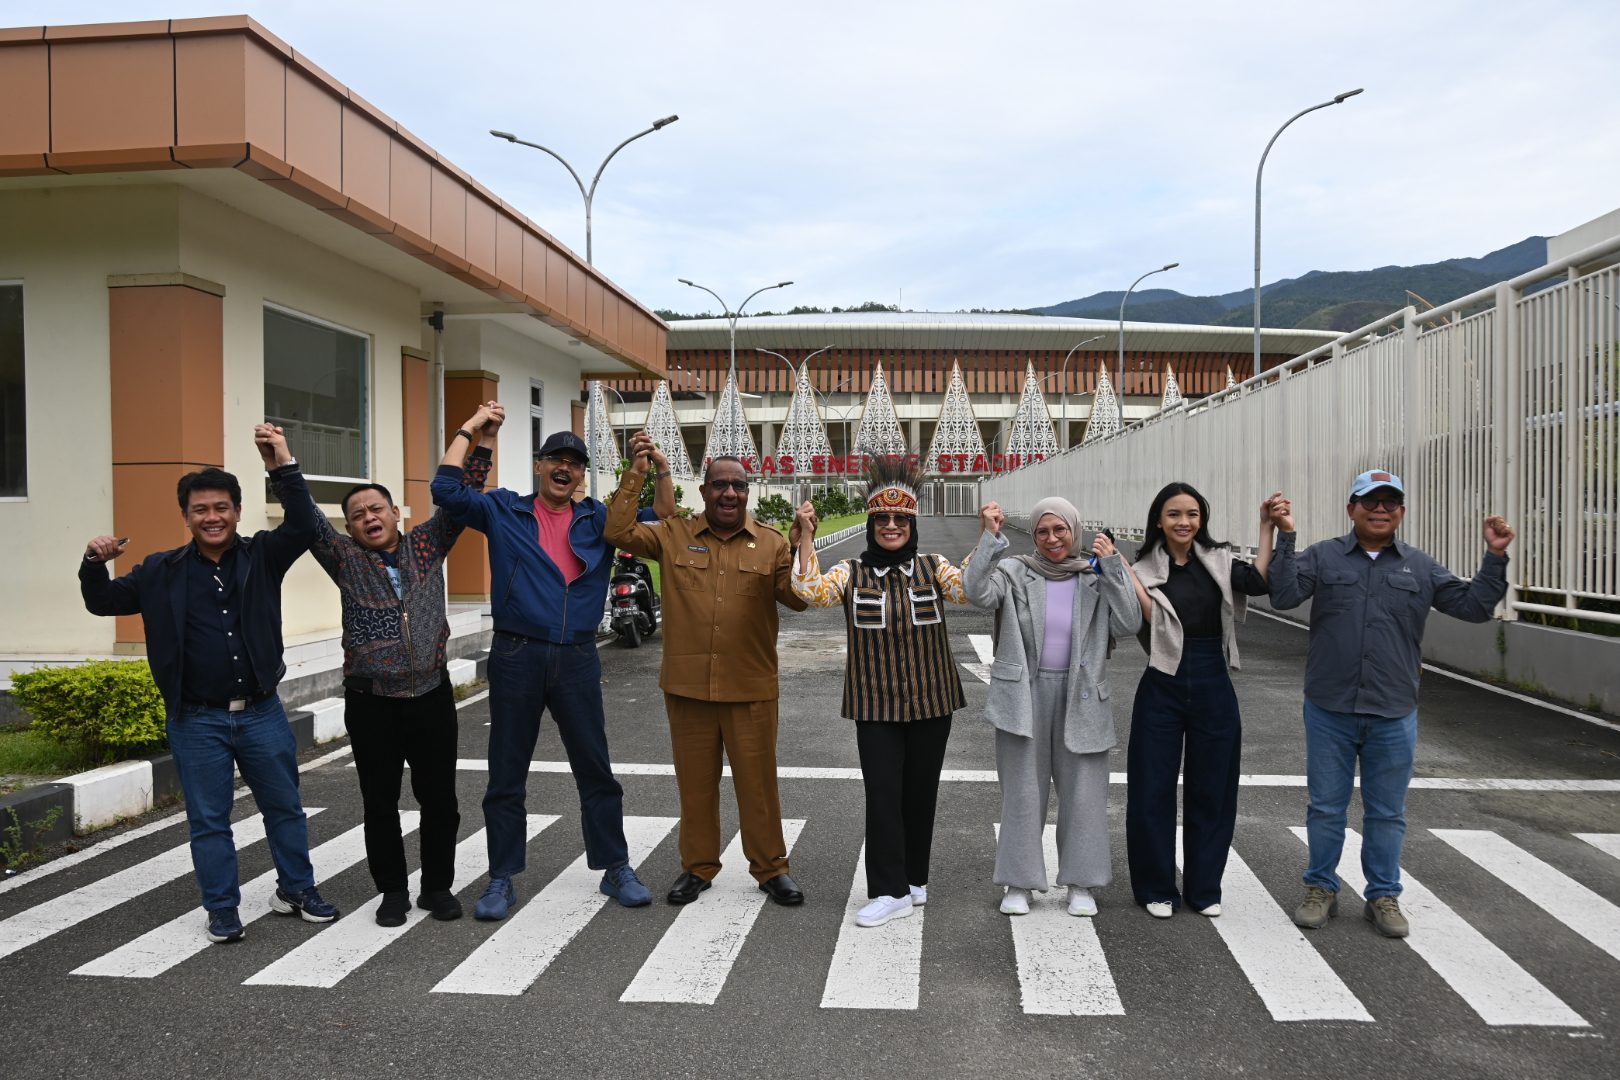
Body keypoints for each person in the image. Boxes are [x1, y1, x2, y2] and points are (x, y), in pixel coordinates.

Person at [79, 425, 338, 944]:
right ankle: (222, 908)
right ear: (187, 516)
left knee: (284, 806)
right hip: (197, 719)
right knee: (209, 820)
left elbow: (306, 524)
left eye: (221, 507)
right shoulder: (159, 571)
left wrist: (281, 463)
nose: (212, 517)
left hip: (262, 712)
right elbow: (102, 601)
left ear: (237, 512)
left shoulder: (263, 555)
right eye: (201, 509)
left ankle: (297, 889)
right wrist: (93, 564)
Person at [430, 410, 671, 920]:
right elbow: (446, 492)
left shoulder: (598, 519)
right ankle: (500, 877)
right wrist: (474, 433)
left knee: (596, 768)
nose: (566, 468)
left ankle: (615, 866)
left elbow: (663, 520)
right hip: (517, 653)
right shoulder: (503, 510)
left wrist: (658, 469)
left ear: (582, 474)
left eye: (575, 464)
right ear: (539, 466)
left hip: (579, 655)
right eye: (556, 460)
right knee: (506, 772)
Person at [274, 406, 497, 927]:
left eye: (377, 509)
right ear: (349, 527)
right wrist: (283, 464)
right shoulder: (344, 558)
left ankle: (437, 887)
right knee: (380, 801)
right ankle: (392, 890)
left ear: (396, 512)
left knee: (439, 799)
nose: (369, 519)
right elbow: (304, 514)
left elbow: (463, 497)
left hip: (431, 695)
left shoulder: (428, 542)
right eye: (357, 515)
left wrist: (482, 441)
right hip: (371, 699)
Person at [1269, 469, 1514, 938]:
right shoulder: (1324, 556)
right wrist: (1287, 536)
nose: (1380, 509)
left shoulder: (1420, 567)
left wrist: (1495, 556)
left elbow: (1473, 607)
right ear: (1351, 509)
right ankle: (1321, 887)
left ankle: (1383, 894)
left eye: (1390, 502)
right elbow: (1283, 595)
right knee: (1325, 807)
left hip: (1393, 710)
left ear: (1401, 511)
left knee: (1387, 811)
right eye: (1369, 501)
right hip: (1330, 707)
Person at [605, 432, 809, 907]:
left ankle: (771, 869)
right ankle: (697, 868)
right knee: (695, 785)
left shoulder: (771, 544)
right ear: (704, 491)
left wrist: (804, 546)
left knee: (758, 787)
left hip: (751, 688)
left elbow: (798, 599)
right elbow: (617, 532)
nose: (729, 493)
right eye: (719, 485)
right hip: (688, 687)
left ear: (748, 492)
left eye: (738, 486)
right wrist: (642, 471)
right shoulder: (673, 533)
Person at [789, 458, 968, 928]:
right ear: (871, 524)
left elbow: (969, 591)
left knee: (921, 793)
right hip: (876, 702)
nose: (892, 526)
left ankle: (914, 880)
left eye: (901, 519)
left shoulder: (935, 567)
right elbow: (810, 592)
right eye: (883, 519)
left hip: (934, 699)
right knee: (884, 794)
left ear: (912, 524)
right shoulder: (850, 572)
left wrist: (988, 539)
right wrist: (806, 535)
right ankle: (889, 889)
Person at [963, 497, 1142, 917]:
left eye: (1060, 529)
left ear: (1074, 531)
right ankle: (1019, 883)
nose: (1051, 539)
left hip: (1082, 692)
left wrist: (1114, 566)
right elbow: (976, 592)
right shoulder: (1015, 571)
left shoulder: (1094, 577)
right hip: (1024, 692)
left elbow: (1130, 623)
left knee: (1084, 793)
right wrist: (989, 537)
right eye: (1043, 531)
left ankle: (1081, 883)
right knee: (1023, 793)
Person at [1126, 483, 1278, 919]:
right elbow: (1135, 617)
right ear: (1159, 520)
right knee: (1151, 787)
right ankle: (1156, 886)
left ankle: (1204, 887)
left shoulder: (1219, 561)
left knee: (1213, 787)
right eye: (1174, 514)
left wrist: (1266, 527)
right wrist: (1119, 569)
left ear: (1201, 520)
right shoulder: (1141, 568)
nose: (1184, 522)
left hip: (1213, 675)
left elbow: (1261, 581)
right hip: (1162, 678)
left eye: (1192, 514)